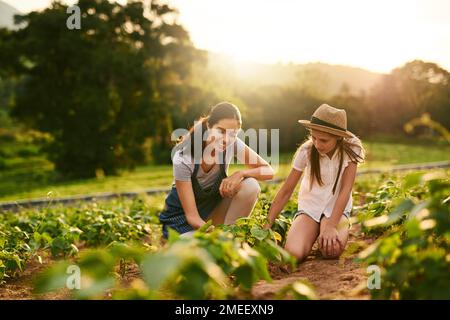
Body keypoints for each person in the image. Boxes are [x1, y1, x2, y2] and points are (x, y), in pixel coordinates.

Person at [159, 102, 274, 238]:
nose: (226, 139)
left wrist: (241, 173)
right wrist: (216, 237)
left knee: (251, 186)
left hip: (211, 215)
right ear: (209, 126)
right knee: (195, 251)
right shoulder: (184, 157)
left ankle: (232, 239)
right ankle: (219, 241)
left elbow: (268, 171)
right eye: (221, 131)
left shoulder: (233, 143)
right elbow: (193, 218)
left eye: (233, 134)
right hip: (182, 223)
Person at [266, 103, 365, 260]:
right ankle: (311, 230)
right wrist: (267, 225)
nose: (317, 144)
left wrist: (331, 226)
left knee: (331, 250)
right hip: (310, 209)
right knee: (293, 255)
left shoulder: (352, 149)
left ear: (339, 137)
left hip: (336, 210)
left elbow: (346, 189)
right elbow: (287, 189)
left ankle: (324, 229)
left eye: (324, 140)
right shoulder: (306, 151)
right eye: (314, 138)